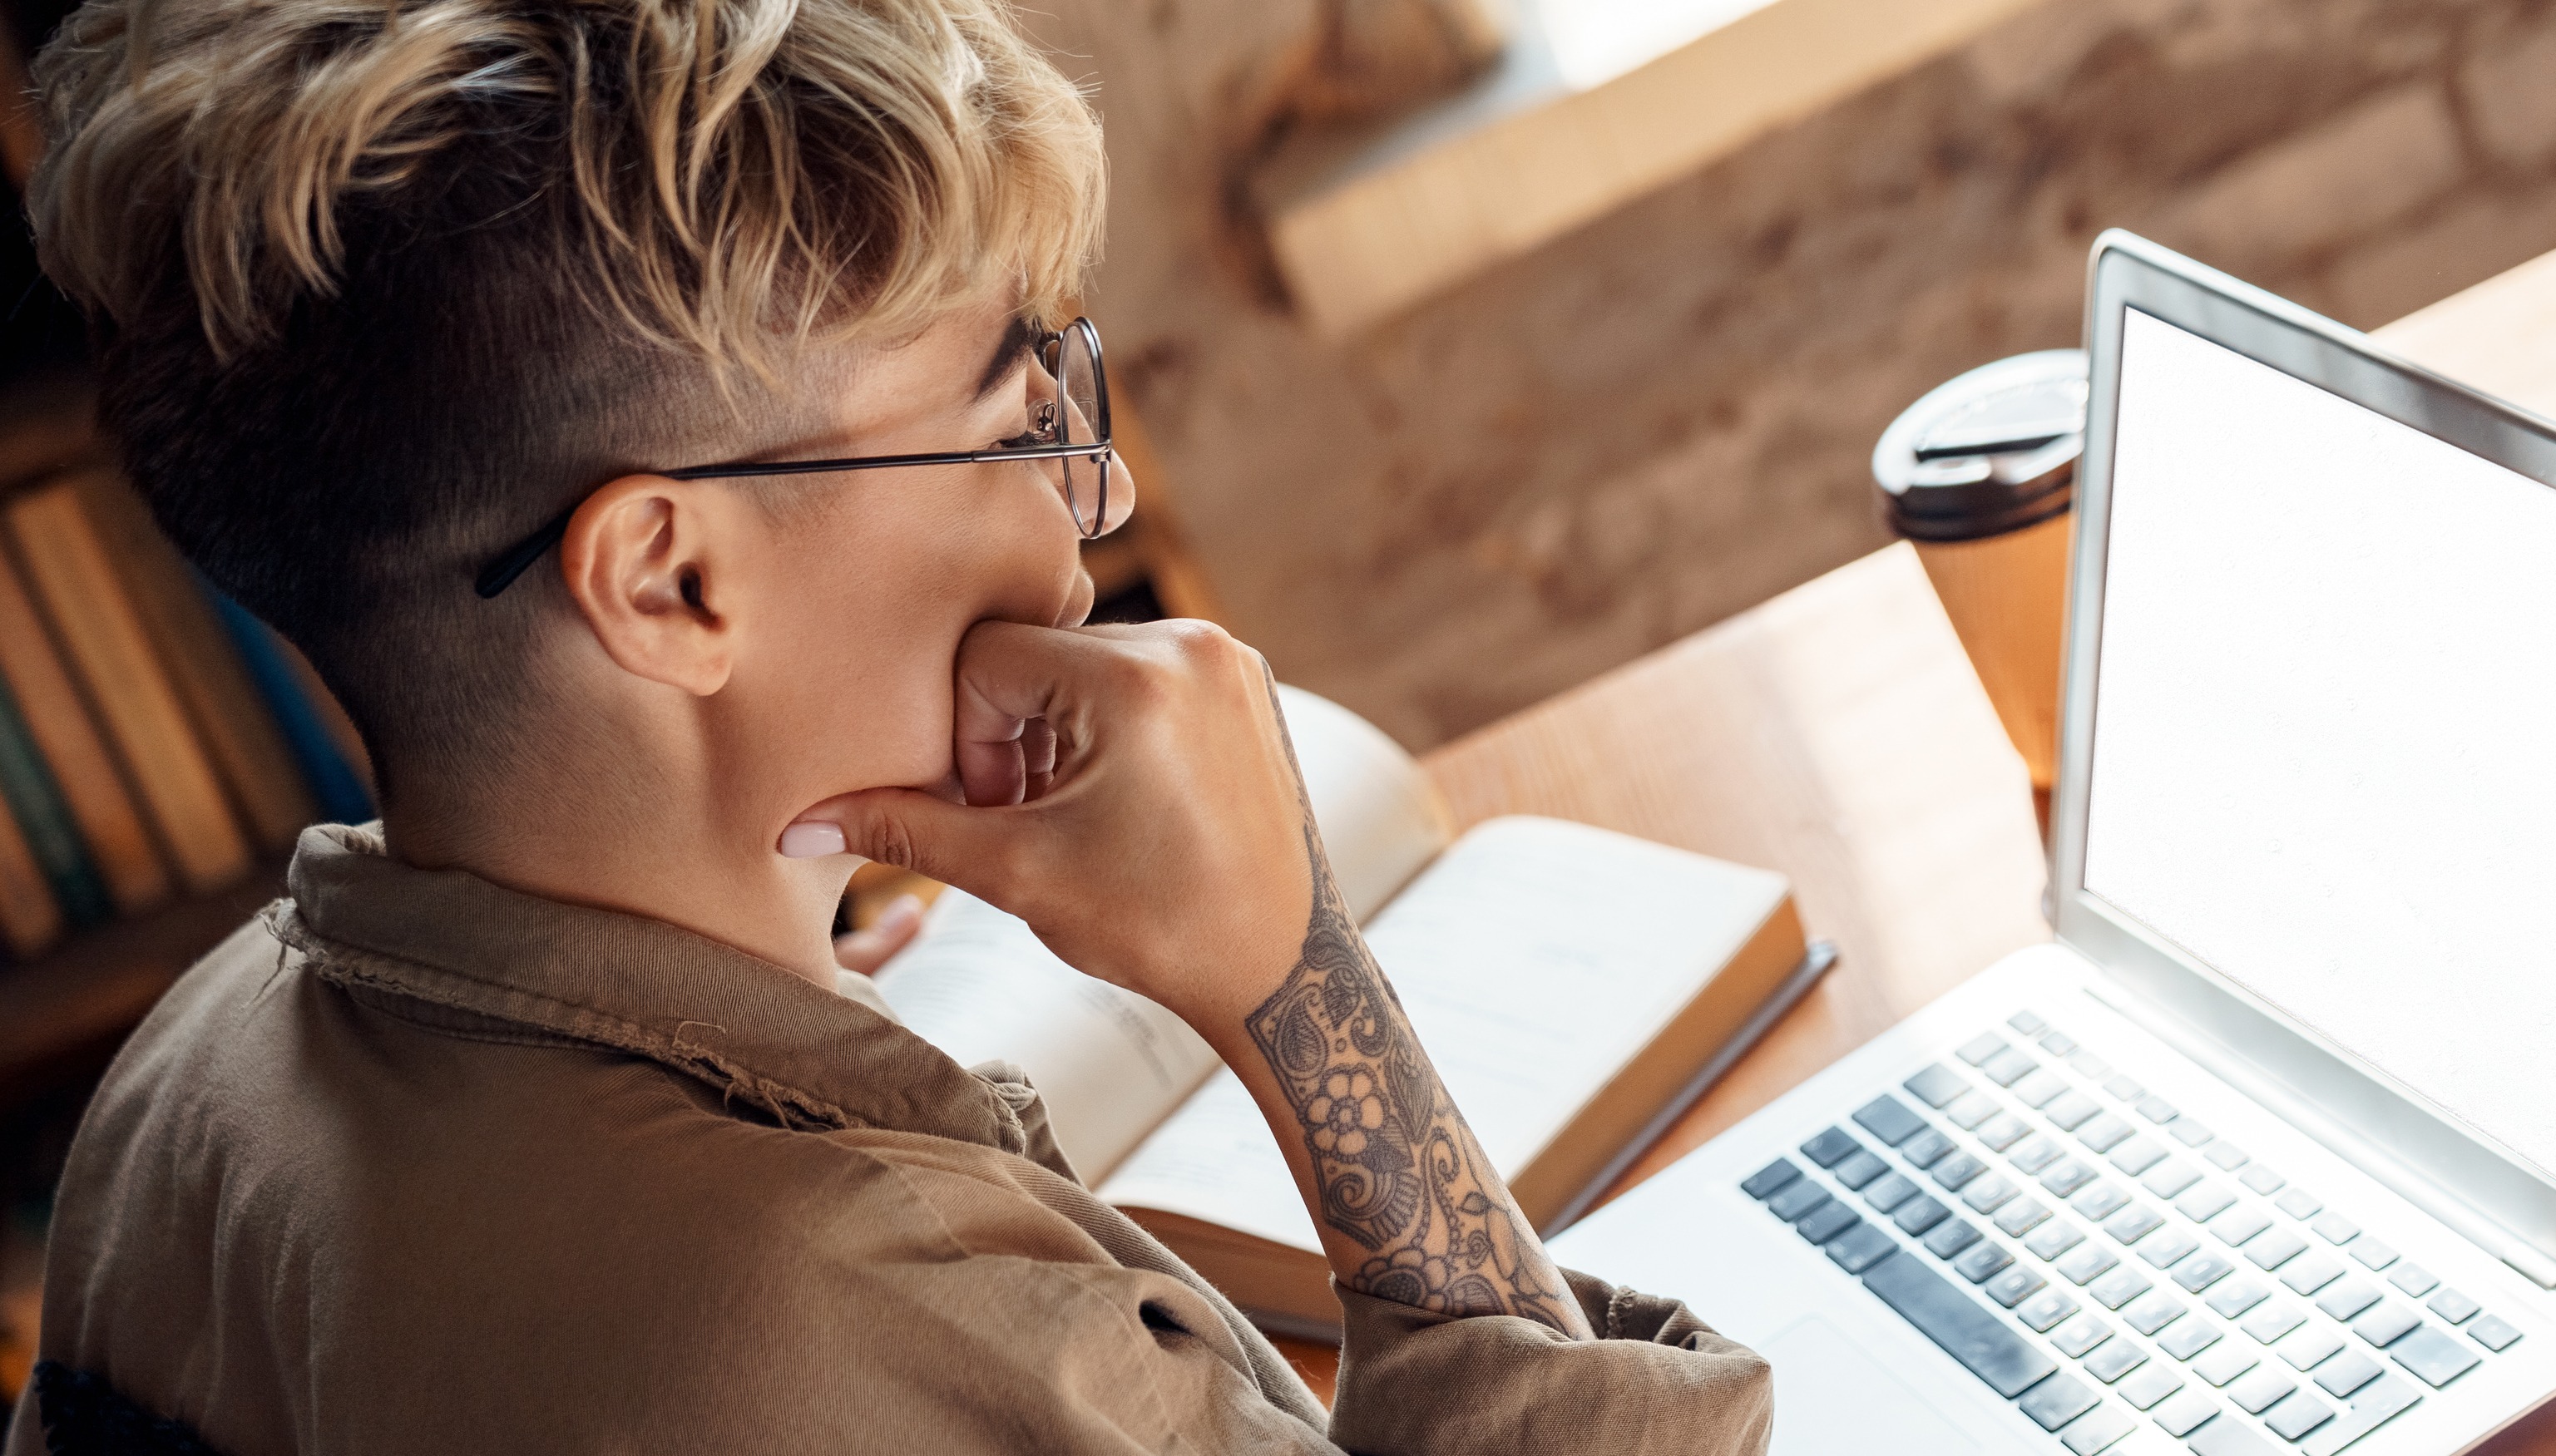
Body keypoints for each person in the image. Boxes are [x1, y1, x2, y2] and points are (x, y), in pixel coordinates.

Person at [3, 0, 1772, 1450]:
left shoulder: (185, 1086)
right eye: (1012, 428)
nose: (1091, 504)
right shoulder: (885, 1317)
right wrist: (1298, 981)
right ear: (673, 585)